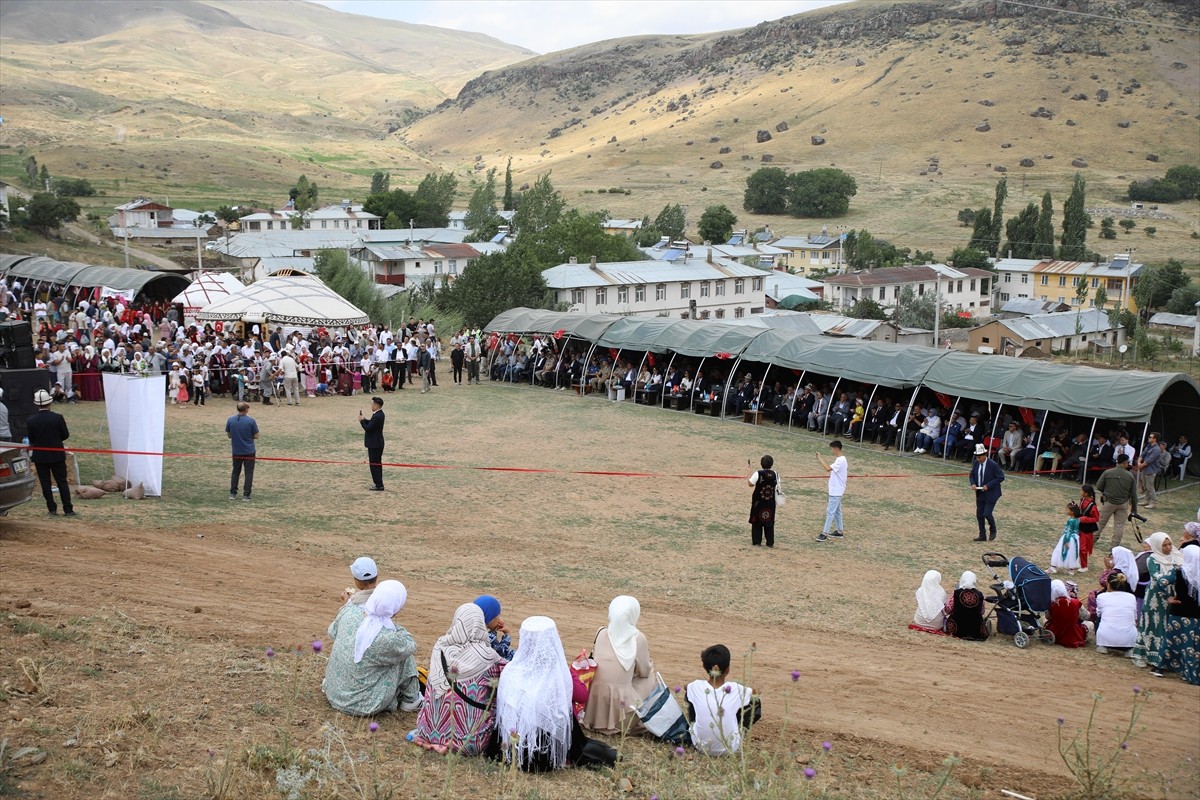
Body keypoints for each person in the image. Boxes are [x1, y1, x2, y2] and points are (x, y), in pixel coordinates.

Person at [495, 616, 600, 772]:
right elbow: (581, 696)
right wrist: (568, 673)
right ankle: (565, 754)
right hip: (544, 757)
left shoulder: (511, 671)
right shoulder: (557, 675)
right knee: (563, 709)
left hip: (509, 749)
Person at [414, 603, 506, 755]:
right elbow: (510, 678)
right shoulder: (488, 656)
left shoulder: (440, 647)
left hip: (427, 732)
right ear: (480, 624)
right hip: (471, 742)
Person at [322, 579, 421, 715]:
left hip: (333, 693)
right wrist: (391, 624)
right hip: (365, 705)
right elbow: (411, 644)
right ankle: (411, 700)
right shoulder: (389, 637)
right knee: (403, 653)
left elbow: (332, 632)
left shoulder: (349, 611)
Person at [582, 596, 655, 734]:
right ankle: (638, 715)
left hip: (592, 714)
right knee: (650, 675)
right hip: (622, 718)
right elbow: (644, 672)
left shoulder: (600, 632)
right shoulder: (638, 639)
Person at [685, 644, 760, 756]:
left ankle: (700, 730)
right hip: (730, 748)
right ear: (728, 669)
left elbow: (686, 687)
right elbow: (755, 695)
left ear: (704, 666)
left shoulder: (696, 686)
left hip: (700, 747)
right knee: (754, 702)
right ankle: (738, 730)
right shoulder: (736, 689)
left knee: (690, 696)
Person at [1131, 532, 1184, 676]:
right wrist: (1175, 573)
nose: (1168, 547)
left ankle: (1164, 659)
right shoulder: (1152, 559)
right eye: (1164, 545)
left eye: (1169, 544)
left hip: (1173, 598)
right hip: (1155, 598)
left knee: (1167, 627)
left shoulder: (1177, 556)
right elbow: (1157, 578)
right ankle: (1143, 655)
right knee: (1152, 625)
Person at [26, 388, 75, 517]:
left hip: (40, 456)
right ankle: (68, 509)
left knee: (45, 483)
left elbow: (31, 439)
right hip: (57, 454)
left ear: (36, 404)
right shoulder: (58, 418)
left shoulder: (31, 421)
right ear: (50, 403)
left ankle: (52, 509)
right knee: (62, 482)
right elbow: (65, 435)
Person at [1163, 546, 1199, 685]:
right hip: (1197, 616)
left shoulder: (1180, 572)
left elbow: (1162, 582)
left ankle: (1162, 667)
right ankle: (1191, 673)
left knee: (1172, 642)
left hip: (1179, 613)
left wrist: (1169, 597)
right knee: (1193, 647)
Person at [1094, 454, 1138, 547]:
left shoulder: (1107, 472)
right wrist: (1134, 509)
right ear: (1125, 463)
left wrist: (1106, 492)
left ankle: (1092, 540)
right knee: (1119, 526)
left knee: (1100, 523)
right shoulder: (1130, 476)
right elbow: (1134, 494)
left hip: (1109, 502)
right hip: (1123, 504)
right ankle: (1114, 547)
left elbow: (1098, 486)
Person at [1095, 571, 1138, 655]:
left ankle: (1103, 645)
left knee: (1100, 616)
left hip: (1105, 638)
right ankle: (1128, 649)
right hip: (1129, 641)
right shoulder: (1131, 597)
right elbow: (1135, 618)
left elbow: (1098, 614)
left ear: (1108, 584)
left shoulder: (1101, 597)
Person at [969, 443, 1003, 541]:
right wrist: (973, 484)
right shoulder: (976, 464)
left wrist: (988, 485)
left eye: (979, 457)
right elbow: (972, 475)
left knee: (987, 513)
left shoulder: (993, 465)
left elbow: (1000, 477)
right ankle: (982, 535)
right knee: (979, 514)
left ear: (985, 455)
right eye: (977, 457)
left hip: (991, 493)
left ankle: (993, 529)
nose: (978, 459)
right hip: (980, 493)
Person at [815, 440, 848, 543]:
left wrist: (820, 458)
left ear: (836, 448)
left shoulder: (840, 460)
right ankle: (839, 531)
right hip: (837, 490)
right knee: (837, 511)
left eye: (832, 449)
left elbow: (827, 468)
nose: (832, 451)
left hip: (836, 491)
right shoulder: (841, 459)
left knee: (830, 512)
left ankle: (824, 533)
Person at [225, 402, 258, 501]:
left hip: (236, 450)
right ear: (246, 410)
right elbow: (256, 436)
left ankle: (232, 493)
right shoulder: (251, 421)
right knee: (248, 473)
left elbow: (229, 435)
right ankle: (246, 495)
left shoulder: (231, 420)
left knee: (235, 471)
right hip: (249, 450)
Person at [1046, 579, 1093, 648]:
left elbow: (1048, 617)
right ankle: (1082, 638)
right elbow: (1085, 616)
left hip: (1055, 634)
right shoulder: (1075, 602)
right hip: (1073, 636)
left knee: (1046, 620)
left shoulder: (1051, 604)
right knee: (1090, 624)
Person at [944, 571, 989, 640]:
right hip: (976, 630)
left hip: (956, 629)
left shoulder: (956, 593)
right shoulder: (980, 595)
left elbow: (948, 610)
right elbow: (982, 612)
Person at [746, 454, 779, 547]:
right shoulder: (775, 474)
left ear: (761, 464)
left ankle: (757, 541)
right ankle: (770, 542)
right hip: (770, 501)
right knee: (769, 521)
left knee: (756, 521)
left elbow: (750, 484)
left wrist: (748, 474)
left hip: (758, 501)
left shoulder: (758, 473)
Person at [474, 595, 516, 659]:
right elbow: (501, 652)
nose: (500, 619)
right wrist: (508, 634)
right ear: (490, 619)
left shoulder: (470, 631)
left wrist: (494, 631)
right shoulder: (486, 638)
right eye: (498, 616)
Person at [359, 396, 385, 491]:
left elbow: (368, 428)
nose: (371, 406)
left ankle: (378, 484)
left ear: (376, 405)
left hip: (375, 444)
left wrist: (362, 421)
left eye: (372, 404)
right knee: (377, 464)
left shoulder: (377, 416)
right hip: (377, 443)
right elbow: (371, 424)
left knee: (374, 465)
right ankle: (378, 482)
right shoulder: (379, 414)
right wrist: (365, 420)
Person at [1048, 502, 1082, 574]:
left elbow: (1068, 531)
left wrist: (1066, 541)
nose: (1066, 510)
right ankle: (1071, 570)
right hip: (1075, 538)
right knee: (1072, 553)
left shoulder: (1071, 520)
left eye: (1067, 509)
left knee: (1058, 551)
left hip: (1068, 538)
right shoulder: (1078, 519)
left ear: (1072, 512)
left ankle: (1053, 567)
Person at [1076, 485, 1099, 571]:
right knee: (1077, 545)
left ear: (1086, 493)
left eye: (1081, 491)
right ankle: (1079, 562)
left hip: (1087, 529)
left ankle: (1084, 566)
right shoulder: (1082, 500)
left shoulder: (1092, 506)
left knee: (1083, 547)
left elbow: (1096, 518)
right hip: (1080, 526)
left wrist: (1084, 519)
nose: (1080, 492)